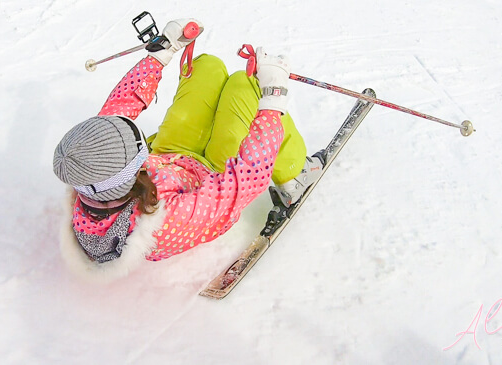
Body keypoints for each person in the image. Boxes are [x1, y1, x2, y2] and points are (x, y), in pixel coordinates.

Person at [53, 19, 325, 278]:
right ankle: (293, 175)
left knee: (207, 66)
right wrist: (272, 101)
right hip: (215, 176)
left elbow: (118, 109)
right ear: (131, 169)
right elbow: (245, 179)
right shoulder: (166, 220)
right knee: (245, 87)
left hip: (171, 159)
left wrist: (160, 54)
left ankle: (218, 96)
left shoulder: (91, 170)